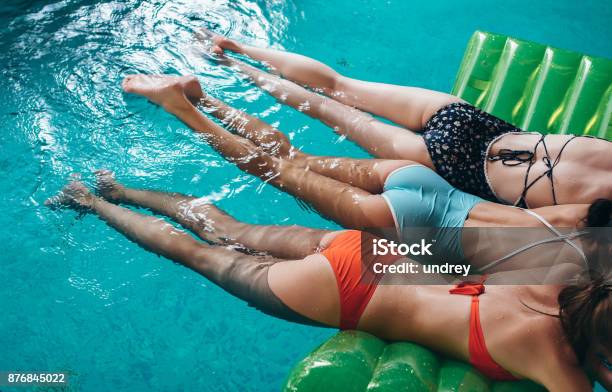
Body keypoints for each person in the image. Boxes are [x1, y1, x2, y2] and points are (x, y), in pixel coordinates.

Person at [46, 174, 611, 391]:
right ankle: (92, 206)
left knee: (228, 228)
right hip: (349, 293)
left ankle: (112, 191)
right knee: (198, 257)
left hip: (374, 256)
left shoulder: (562, 276)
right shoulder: (557, 363)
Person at [121, 74, 602, 272]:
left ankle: (203, 97)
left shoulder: (590, 214)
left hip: (419, 181)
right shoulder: (578, 274)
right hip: (408, 221)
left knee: (294, 156)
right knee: (271, 169)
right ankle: (181, 107)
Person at [198, 30, 612, 209]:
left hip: (471, 123)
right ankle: (241, 73)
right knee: (324, 109)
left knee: (337, 83)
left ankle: (234, 48)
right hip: (457, 164)